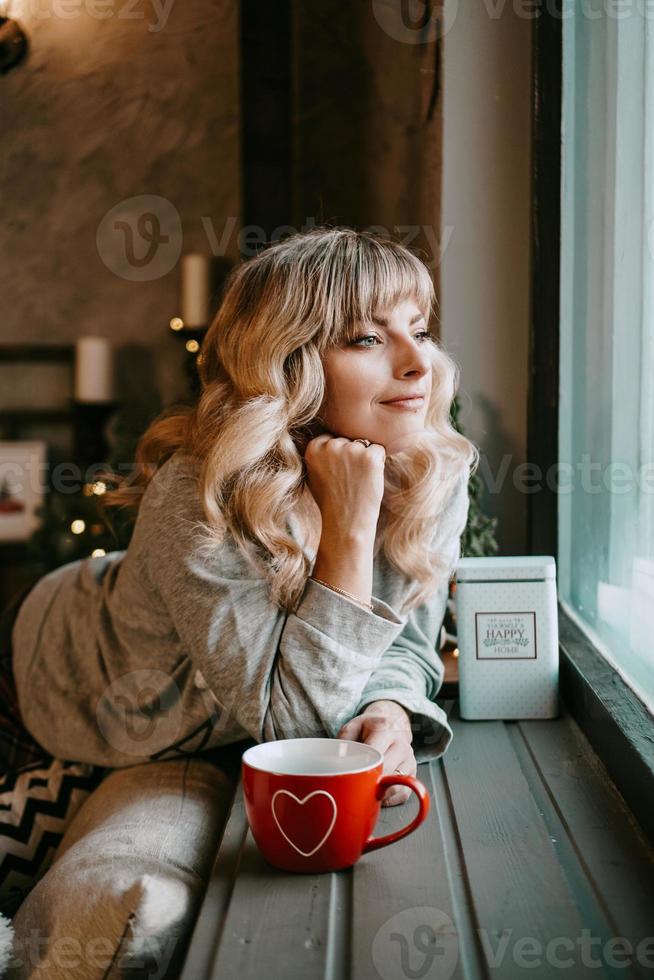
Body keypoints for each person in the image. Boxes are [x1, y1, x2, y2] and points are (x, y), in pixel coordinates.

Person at [0, 226, 478, 912]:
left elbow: (407, 640)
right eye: (367, 339)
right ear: (291, 362)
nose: (417, 364)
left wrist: (391, 708)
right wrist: (347, 528)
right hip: (47, 670)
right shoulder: (197, 493)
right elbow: (296, 729)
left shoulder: (435, 466)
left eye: (420, 331)